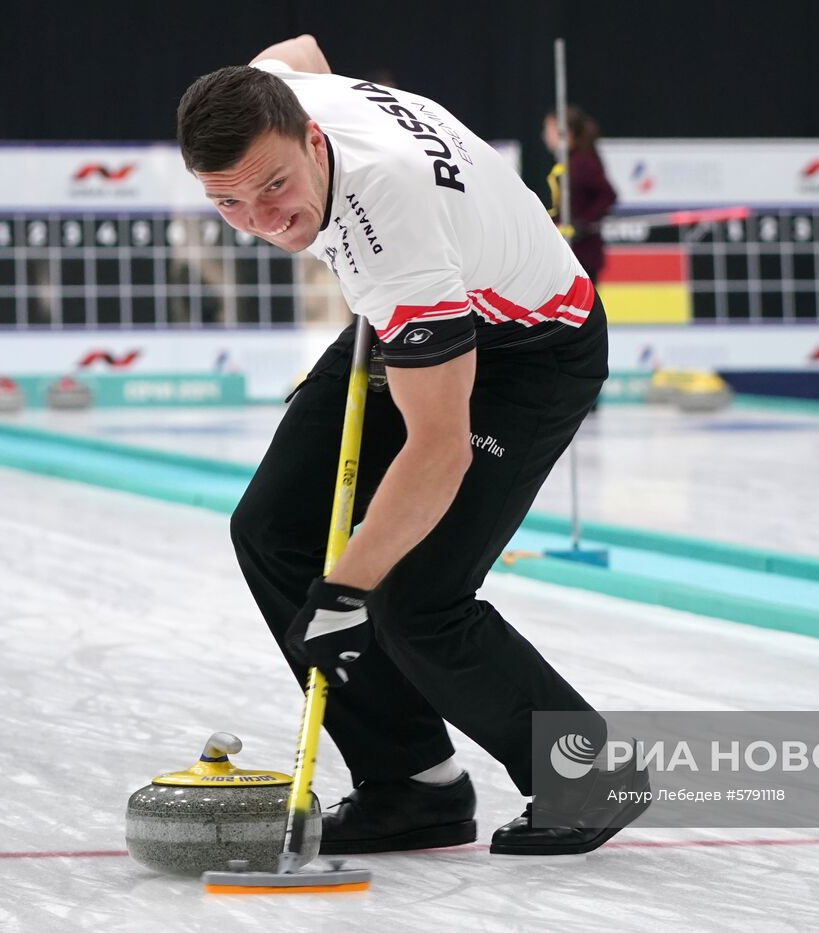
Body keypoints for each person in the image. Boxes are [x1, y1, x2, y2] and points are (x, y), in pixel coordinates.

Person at [176, 34, 648, 856]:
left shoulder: (390, 224)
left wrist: (346, 589)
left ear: (314, 143)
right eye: (229, 204)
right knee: (271, 528)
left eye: (276, 187)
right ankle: (414, 784)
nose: (263, 222)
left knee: (411, 596)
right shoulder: (283, 98)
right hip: (414, 308)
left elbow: (439, 449)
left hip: (529, 349)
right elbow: (297, 48)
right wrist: (335, 587)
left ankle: (588, 770)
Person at [542, 106, 617, 285]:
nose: (545, 135)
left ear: (565, 133)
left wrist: (583, 223)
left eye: (549, 130)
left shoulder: (582, 163)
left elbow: (607, 195)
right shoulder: (565, 164)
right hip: (567, 251)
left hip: (583, 253)